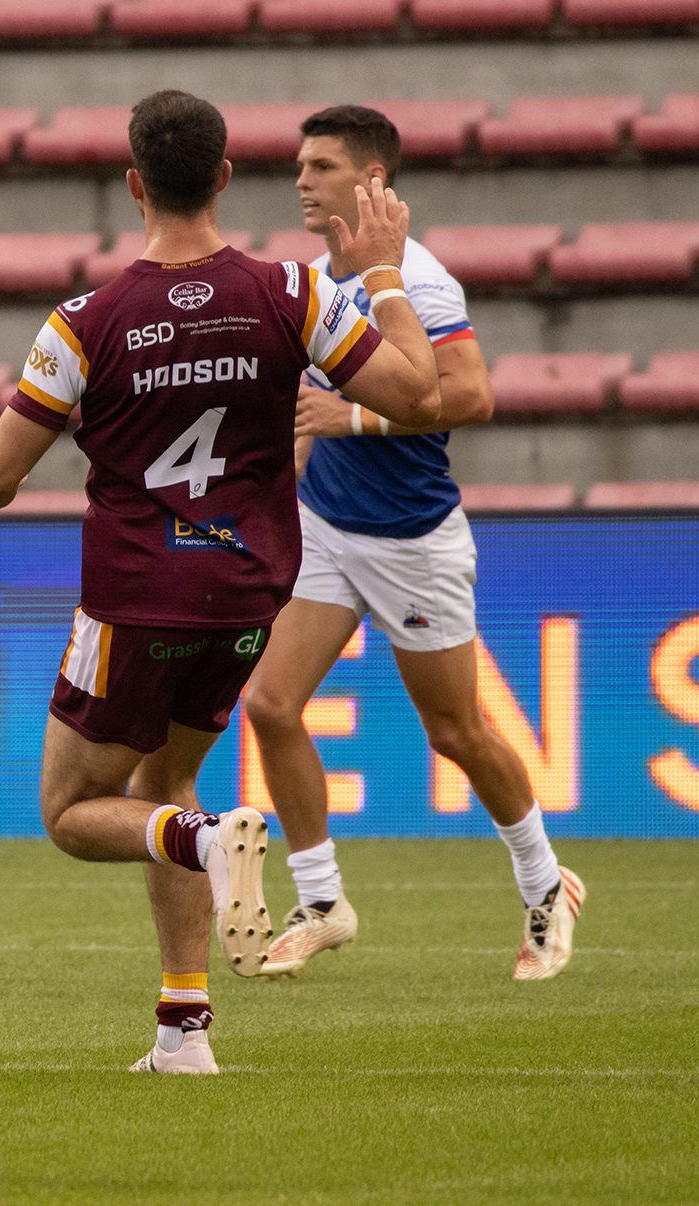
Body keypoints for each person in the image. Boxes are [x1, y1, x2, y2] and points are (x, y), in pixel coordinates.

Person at [0, 91, 441, 1073]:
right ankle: (182, 1031)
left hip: (135, 601)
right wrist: (384, 271)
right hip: (248, 596)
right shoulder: (293, 293)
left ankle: (212, 845)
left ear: (134, 185)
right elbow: (419, 394)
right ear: (223, 177)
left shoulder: (85, 322)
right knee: (164, 785)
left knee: (73, 813)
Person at [243, 105, 583, 982]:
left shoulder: (419, 282)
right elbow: (305, 413)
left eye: (321, 166)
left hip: (411, 541)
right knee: (270, 705)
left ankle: (545, 884)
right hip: (327, 527)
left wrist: (349, 418)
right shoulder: (314, 279)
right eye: (300, 165)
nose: (301, 180)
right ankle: (322, 901)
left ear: (372, 181)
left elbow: (471, 397)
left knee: (457, 732)